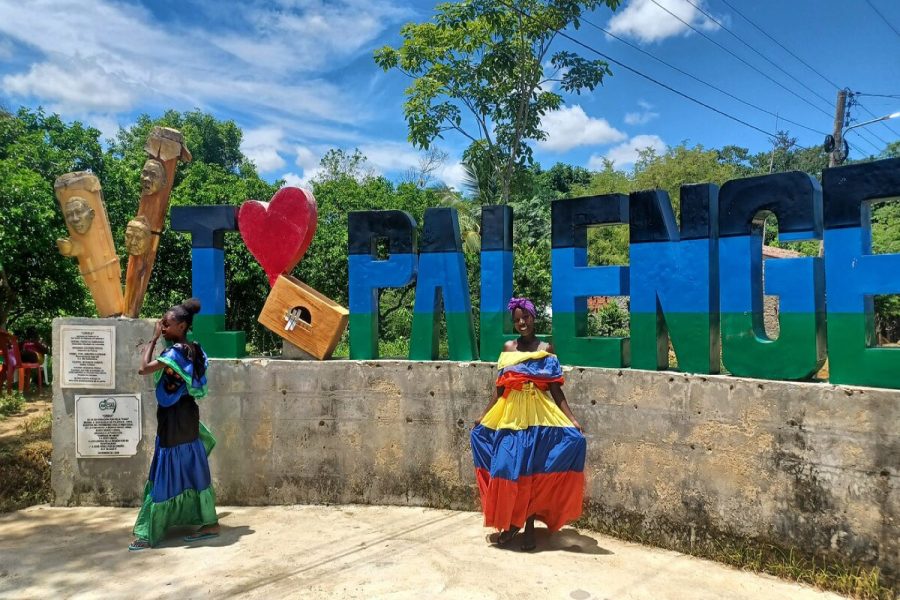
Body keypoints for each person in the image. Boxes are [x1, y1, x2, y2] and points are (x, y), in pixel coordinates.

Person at [470, 297, 586, 551]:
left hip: (539, 417)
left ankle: (529, 527)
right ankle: (512, 523)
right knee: (506, 468)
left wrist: (572, 419)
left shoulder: (547, 348)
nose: (522, 323)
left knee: (532, 473)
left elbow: (555, 391)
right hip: (510, 415)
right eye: (517, 320)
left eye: (526, 318)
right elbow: (500, 389)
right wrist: (484, 415)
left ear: (534, 317)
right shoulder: (508, 348)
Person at [129, 298, 219, 551]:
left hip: (174, 417)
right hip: (188, 413)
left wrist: (154, 339)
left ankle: (151, 531)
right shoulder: (195, 349)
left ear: (181, 326)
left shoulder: (174, 354)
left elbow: (144, 368)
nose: (163, 327)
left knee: (167, 466)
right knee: (193, 463)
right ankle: (209, 522)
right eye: (162, 324)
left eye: (167, 324)